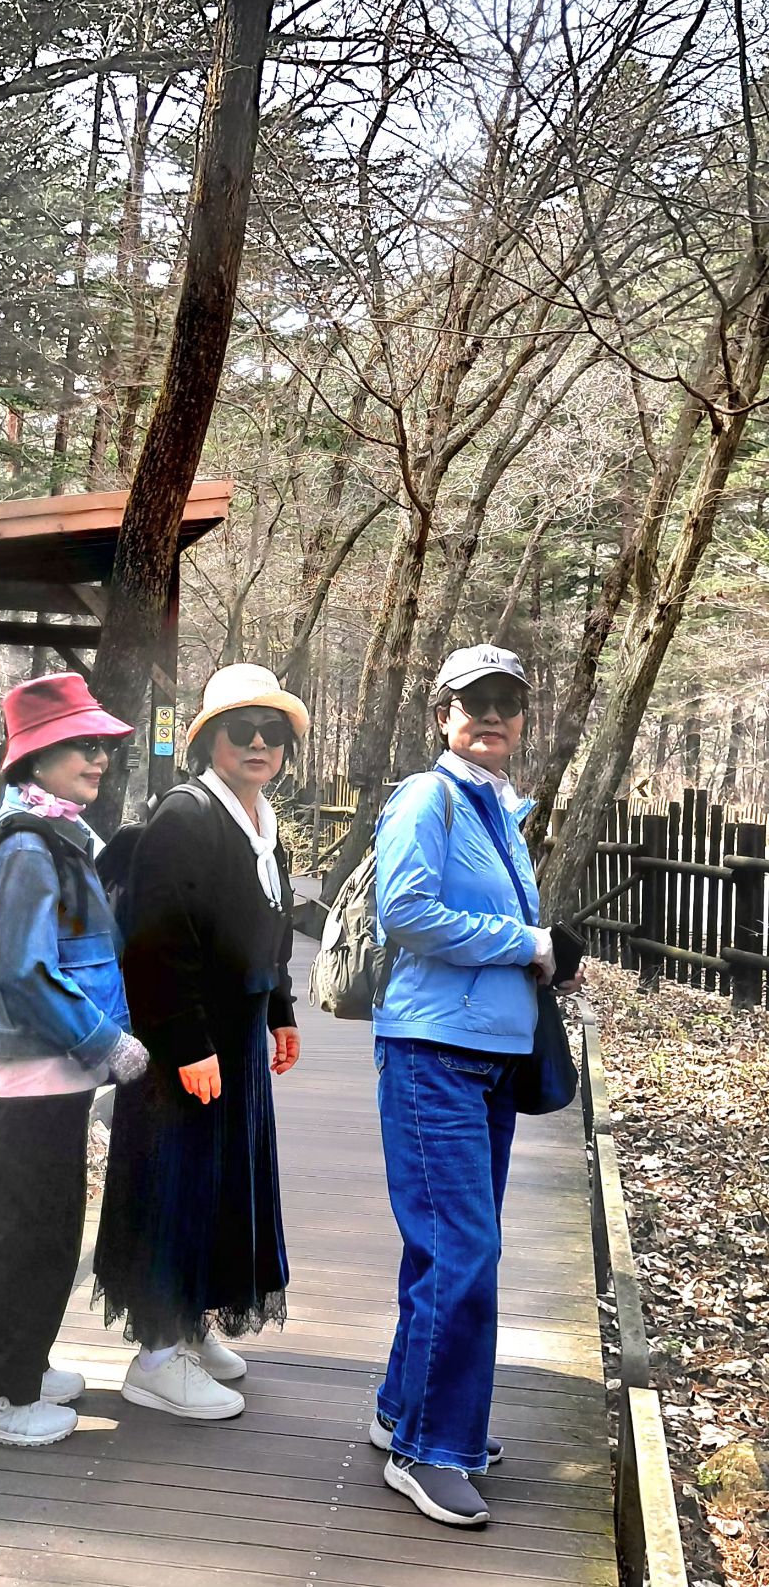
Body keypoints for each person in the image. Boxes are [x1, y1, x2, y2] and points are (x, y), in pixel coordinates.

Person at [370, 643, 583, 1529]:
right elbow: (405, 910)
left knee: (444, 1247)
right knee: (465, 1250)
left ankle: (403, 1410)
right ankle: (432, 1449)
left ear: (523, 717)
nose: (491, 714)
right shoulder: (429, 797)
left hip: (486, 1056)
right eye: (473, 700)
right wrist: (527, 943)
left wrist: (546, 952)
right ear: (442, 714)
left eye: (507, 700)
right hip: (434, 1052)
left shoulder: (498, 808)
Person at [92, 662, 308, 1421]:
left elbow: (268, 931)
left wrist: (280, 1009)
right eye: (240, 729)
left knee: (221, 1181)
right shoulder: (186, 817)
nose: (258, 743)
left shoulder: (261, 823)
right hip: (183, 1039)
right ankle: (156, 1354)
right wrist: (187, 1043)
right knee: (176, 1184)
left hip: (236, 1033)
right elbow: (158, 944)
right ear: (209, 740)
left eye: (272, 731)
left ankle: (190, 1323)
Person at [0, 672, 149, 1449]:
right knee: (16, 1232)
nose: (98, 757)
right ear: (35, 756)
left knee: (49, 1227)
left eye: (99, 744)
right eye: (80, 744)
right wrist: (105, 1042)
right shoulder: (28, 846)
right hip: (28, 1072)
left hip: (50, 1073)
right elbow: (28, 973)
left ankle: (21, 1362)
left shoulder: (56, 834)